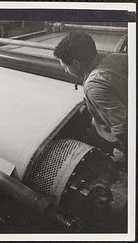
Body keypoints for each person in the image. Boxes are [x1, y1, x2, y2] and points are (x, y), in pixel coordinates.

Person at [53, 31, 128, 161]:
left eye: (65, 66)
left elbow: (123, 128)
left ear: (76, 64)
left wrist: (126, 155)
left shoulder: (94, 85)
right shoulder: (120, 57)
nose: (65, 71)